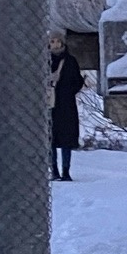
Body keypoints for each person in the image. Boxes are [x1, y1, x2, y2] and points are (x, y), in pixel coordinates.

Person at [48, 33, 84, 181]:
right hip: (50, 105)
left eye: (58, 41)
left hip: (66, 105)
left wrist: (68, 92)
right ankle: (54, 170)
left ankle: (66, 170)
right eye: (52, 41)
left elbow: (78, 81)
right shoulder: (44, 61)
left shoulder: (70, 61)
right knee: (50, 139)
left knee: (66, 140)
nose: (56, 44)